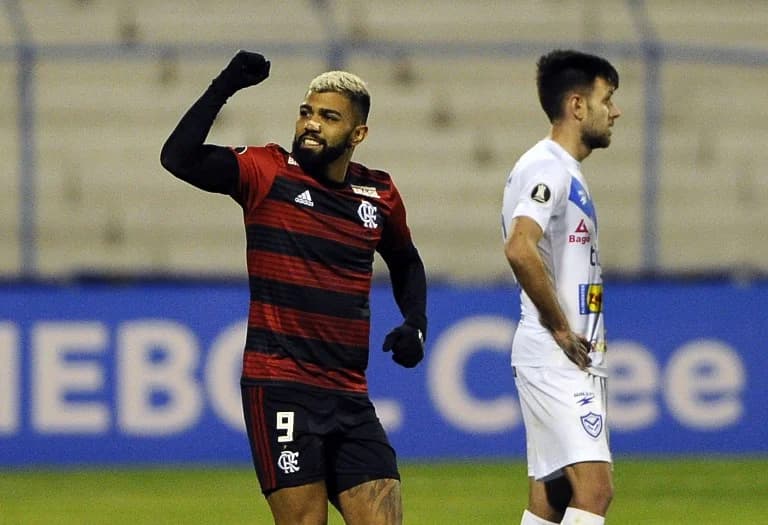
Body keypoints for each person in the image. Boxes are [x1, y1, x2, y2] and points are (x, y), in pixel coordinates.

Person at [160, 50, 427, 525]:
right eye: (306, 112)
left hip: (349, 393)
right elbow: (177, 158)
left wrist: (415, 323)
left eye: (328, 117)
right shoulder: (266, 172)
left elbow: (405, 261)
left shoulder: (379, 193)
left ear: (358, 134)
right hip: (281, 388)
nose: (311, 124)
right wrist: (225, 84)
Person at [501, 49, 621, 525]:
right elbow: (519, 246)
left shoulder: (563, 169)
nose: (615, 111)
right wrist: (559, 328)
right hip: (556, 356)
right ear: (577, 106)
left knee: (551, 497)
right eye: (606, 98)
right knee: (594, 490)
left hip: (564, 355)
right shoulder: (547, 167)